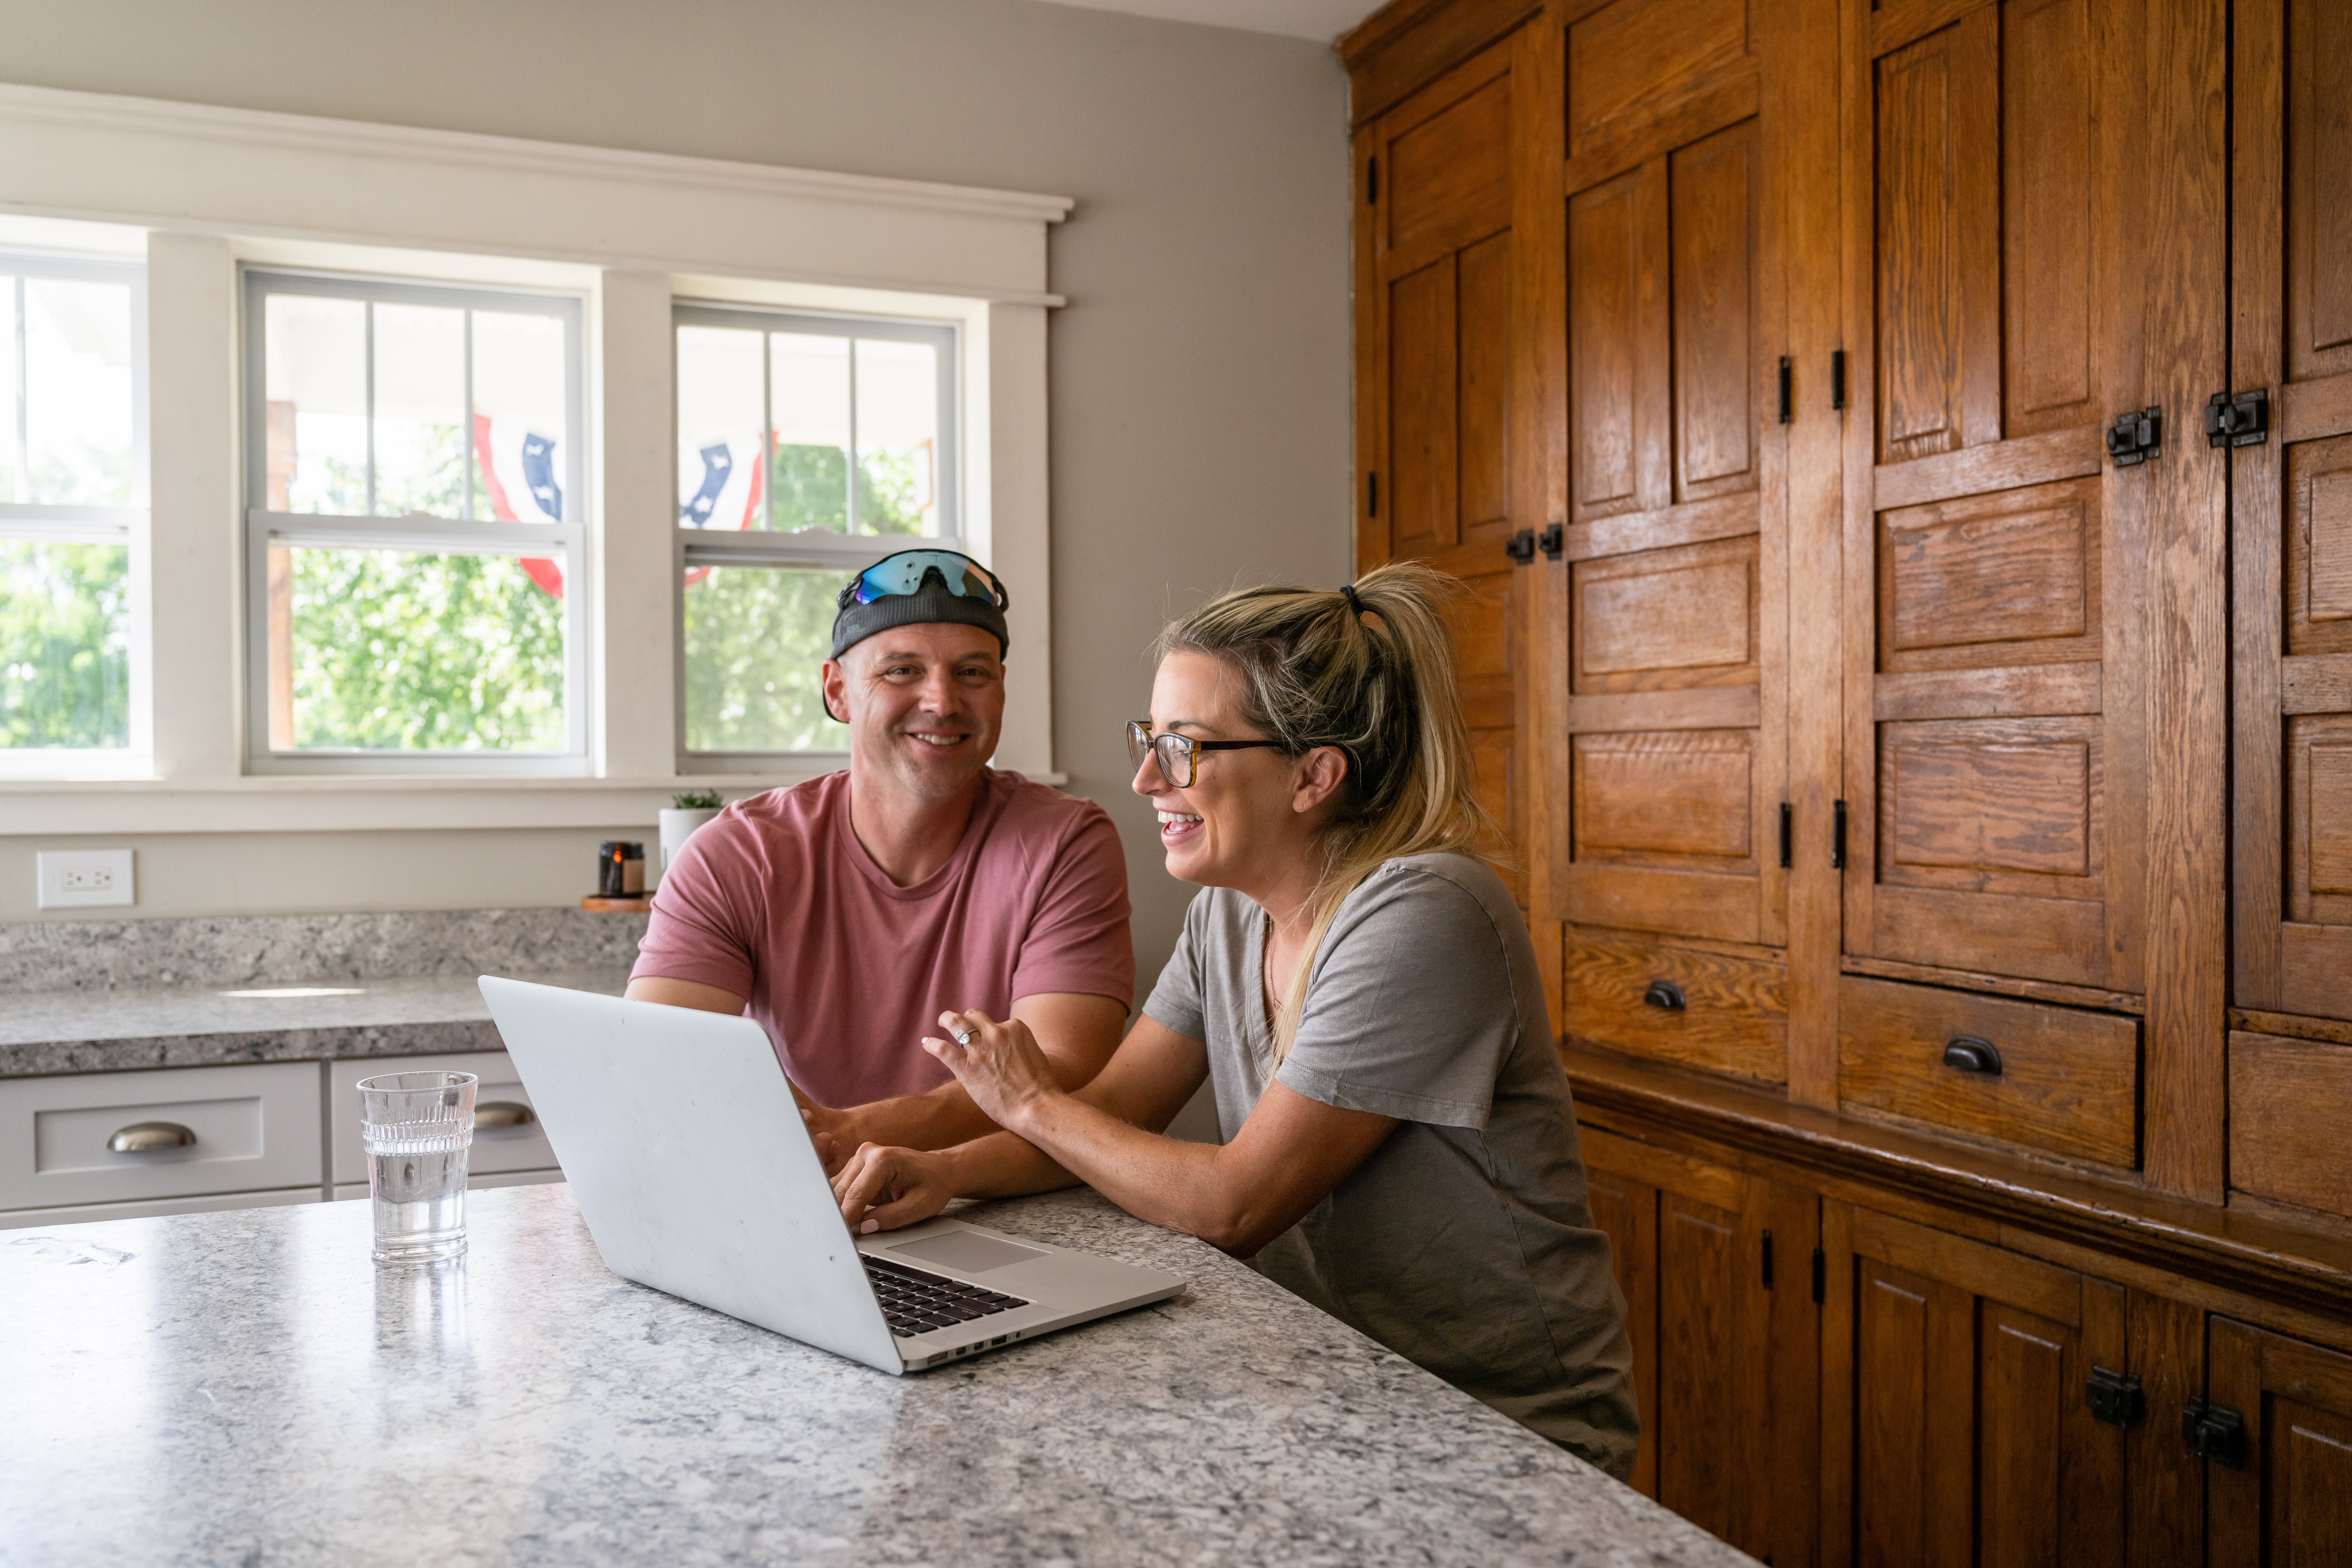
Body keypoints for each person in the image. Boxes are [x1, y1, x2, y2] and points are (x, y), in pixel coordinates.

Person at [829, 561, 1639, 1476]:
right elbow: (1119, 1109)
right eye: (1149, 738)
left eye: (1183, 746)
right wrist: (942, 1171)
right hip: (1326, 1380)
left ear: (1313, 776)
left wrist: (1027, 1102)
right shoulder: (1230, 911)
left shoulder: (1425, 912)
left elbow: (1231, 1205)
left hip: (1499, 1427)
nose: (1143, 778)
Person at [627, 548, 1134, 1166]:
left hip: (990, 1196)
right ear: (837, 692)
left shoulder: (1065, 844)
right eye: (901, 671)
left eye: (974, 673)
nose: (943, 701)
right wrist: (824, 1141)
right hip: (800, 1186)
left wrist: (845, 1133)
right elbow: (660, 1064)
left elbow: (1062, 1078)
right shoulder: (736, 855)